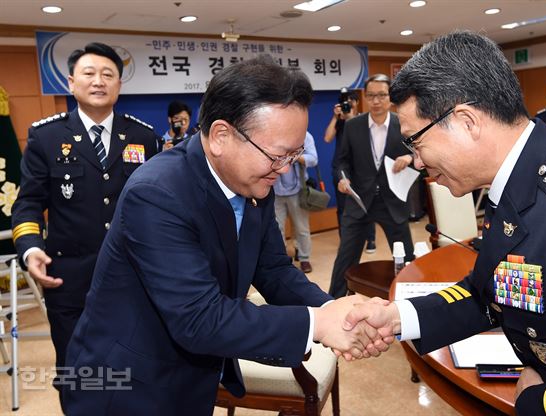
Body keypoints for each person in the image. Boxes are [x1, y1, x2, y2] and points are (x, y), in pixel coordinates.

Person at [62, 55, 391, 415]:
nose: (283, 170)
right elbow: (199, 318)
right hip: (126, 386)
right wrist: (318, 324)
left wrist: (333, 309)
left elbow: (274, 269)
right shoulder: (157, 193)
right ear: (221, 136)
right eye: (278, 155)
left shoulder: (252, 179)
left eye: (293, 155)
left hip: (193, 377)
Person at [344, 31, 546, 415]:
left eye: (415, 142)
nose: (416, 162)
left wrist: (535, 400)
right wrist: (399, 316)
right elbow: (493, 292)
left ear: (467, 121)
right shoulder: (517, 181)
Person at [11, 42, 160, 406]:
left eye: (108, 74)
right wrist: (31, 249)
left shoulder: (143, 137)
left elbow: (158, 206)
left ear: (119, 85)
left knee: (134, 365)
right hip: (71, 278)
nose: (98, 81)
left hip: (135, 276)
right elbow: (29, 202)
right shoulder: (46, 136)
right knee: (79, 372)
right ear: (71, 82)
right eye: (89, 74)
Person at [328, 74, 415, 298]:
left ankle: (412, 303)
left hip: (392, 202)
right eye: (372, 96)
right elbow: (341, 161)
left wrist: (410, 158)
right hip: (359, 200)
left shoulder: (403, 124)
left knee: (406, 257)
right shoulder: (353, 125)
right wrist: (342, 178)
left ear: (391, 98)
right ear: (365, 98)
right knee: (345, 258)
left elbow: (422, 152)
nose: (376, 101)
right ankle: (332, 303)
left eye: (382, 95)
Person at [324, 89, 377, 254]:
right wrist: (335, 117)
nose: (348, 105)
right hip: (340, 169)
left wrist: (351, 118)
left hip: (361, 169)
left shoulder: (364, 120)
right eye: (345, 102)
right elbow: (327, 138)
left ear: (356, 103)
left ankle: (370, 239)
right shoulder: (339, 121)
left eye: (351, 101)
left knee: (366, 204)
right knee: (342, 208)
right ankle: (345, 240)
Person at [274, 131, 317, 273]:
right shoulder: (270, 133)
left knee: (302, 228)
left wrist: (294, 157)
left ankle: (304, 258)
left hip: (299, 190)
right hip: (274, 190)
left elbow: (313, 159)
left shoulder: (305, 135)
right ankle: (281, 260)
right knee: (276, 228)